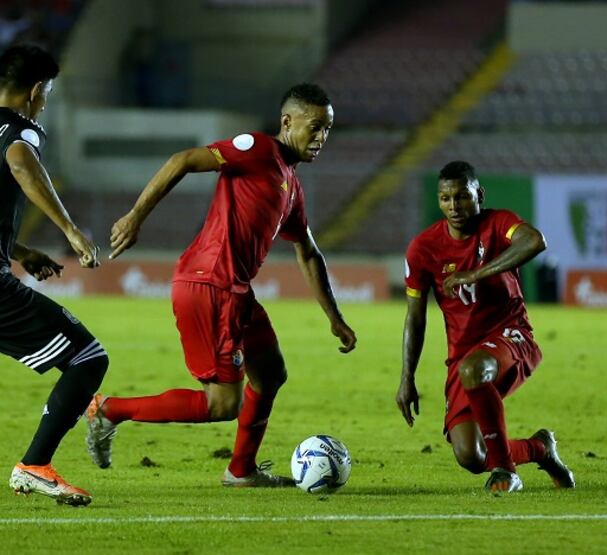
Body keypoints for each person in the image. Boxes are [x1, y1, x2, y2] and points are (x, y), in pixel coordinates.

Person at [85, 83, 357, 486]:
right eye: (314, 127)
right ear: (287, 121)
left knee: (270, 372)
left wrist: (335, 318)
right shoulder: (257, 149)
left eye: (328, 130)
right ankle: (108, 410)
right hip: (209, 284)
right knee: (222, 404)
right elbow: (183, 160)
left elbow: (308, 252)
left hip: (236, 290)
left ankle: (241, 471)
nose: (321, 138)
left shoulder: (291, 185)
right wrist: (135, 216)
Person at [396, 161, 575, 493]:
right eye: (446, 198)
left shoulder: (498, 223)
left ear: (479, 194)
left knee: (476, 369)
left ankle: (507, 473)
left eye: (462, 197)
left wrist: (475, 274)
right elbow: (415, 317)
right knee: (472, 455)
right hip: (463, 356)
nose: (454, 206)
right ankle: (541, 448)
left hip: (512, 336)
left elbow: (534, 241)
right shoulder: (423, 249)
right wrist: (407, 378)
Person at [0, 44, 104, 506]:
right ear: (38, 89)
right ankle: (34, 466)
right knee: (88, 357)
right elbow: (22, 162)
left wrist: (19, 250)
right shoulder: (22, 130)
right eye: (49, 92)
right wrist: (71, 230)